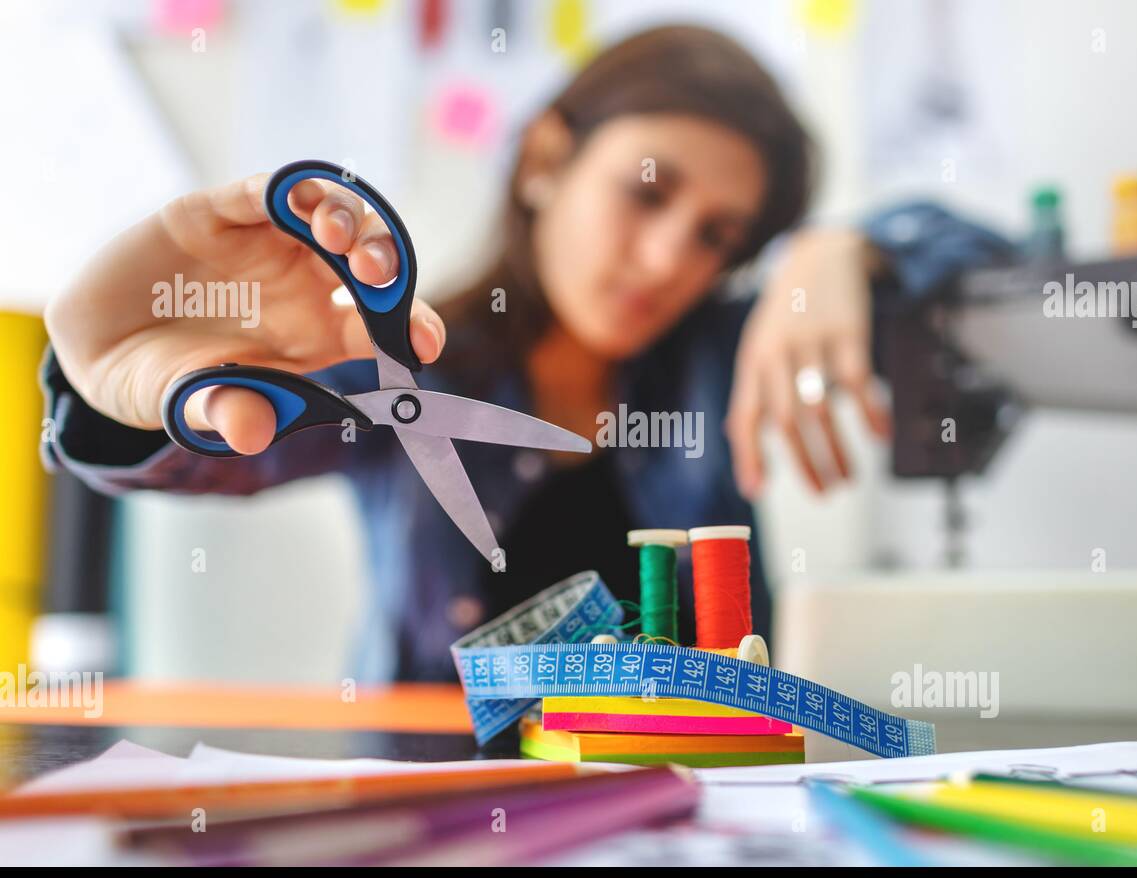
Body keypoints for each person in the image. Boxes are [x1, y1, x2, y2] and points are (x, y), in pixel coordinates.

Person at [41, 26, 1011, 683]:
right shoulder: (405, 361)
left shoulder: (727, 353)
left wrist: (842, 249)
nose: (670, 258)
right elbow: (204, 449)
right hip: (433, 825)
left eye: (718, 235)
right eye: (647, 191)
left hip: (703, 814)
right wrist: (108, 384)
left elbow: (1010, 268)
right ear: (547, 160)